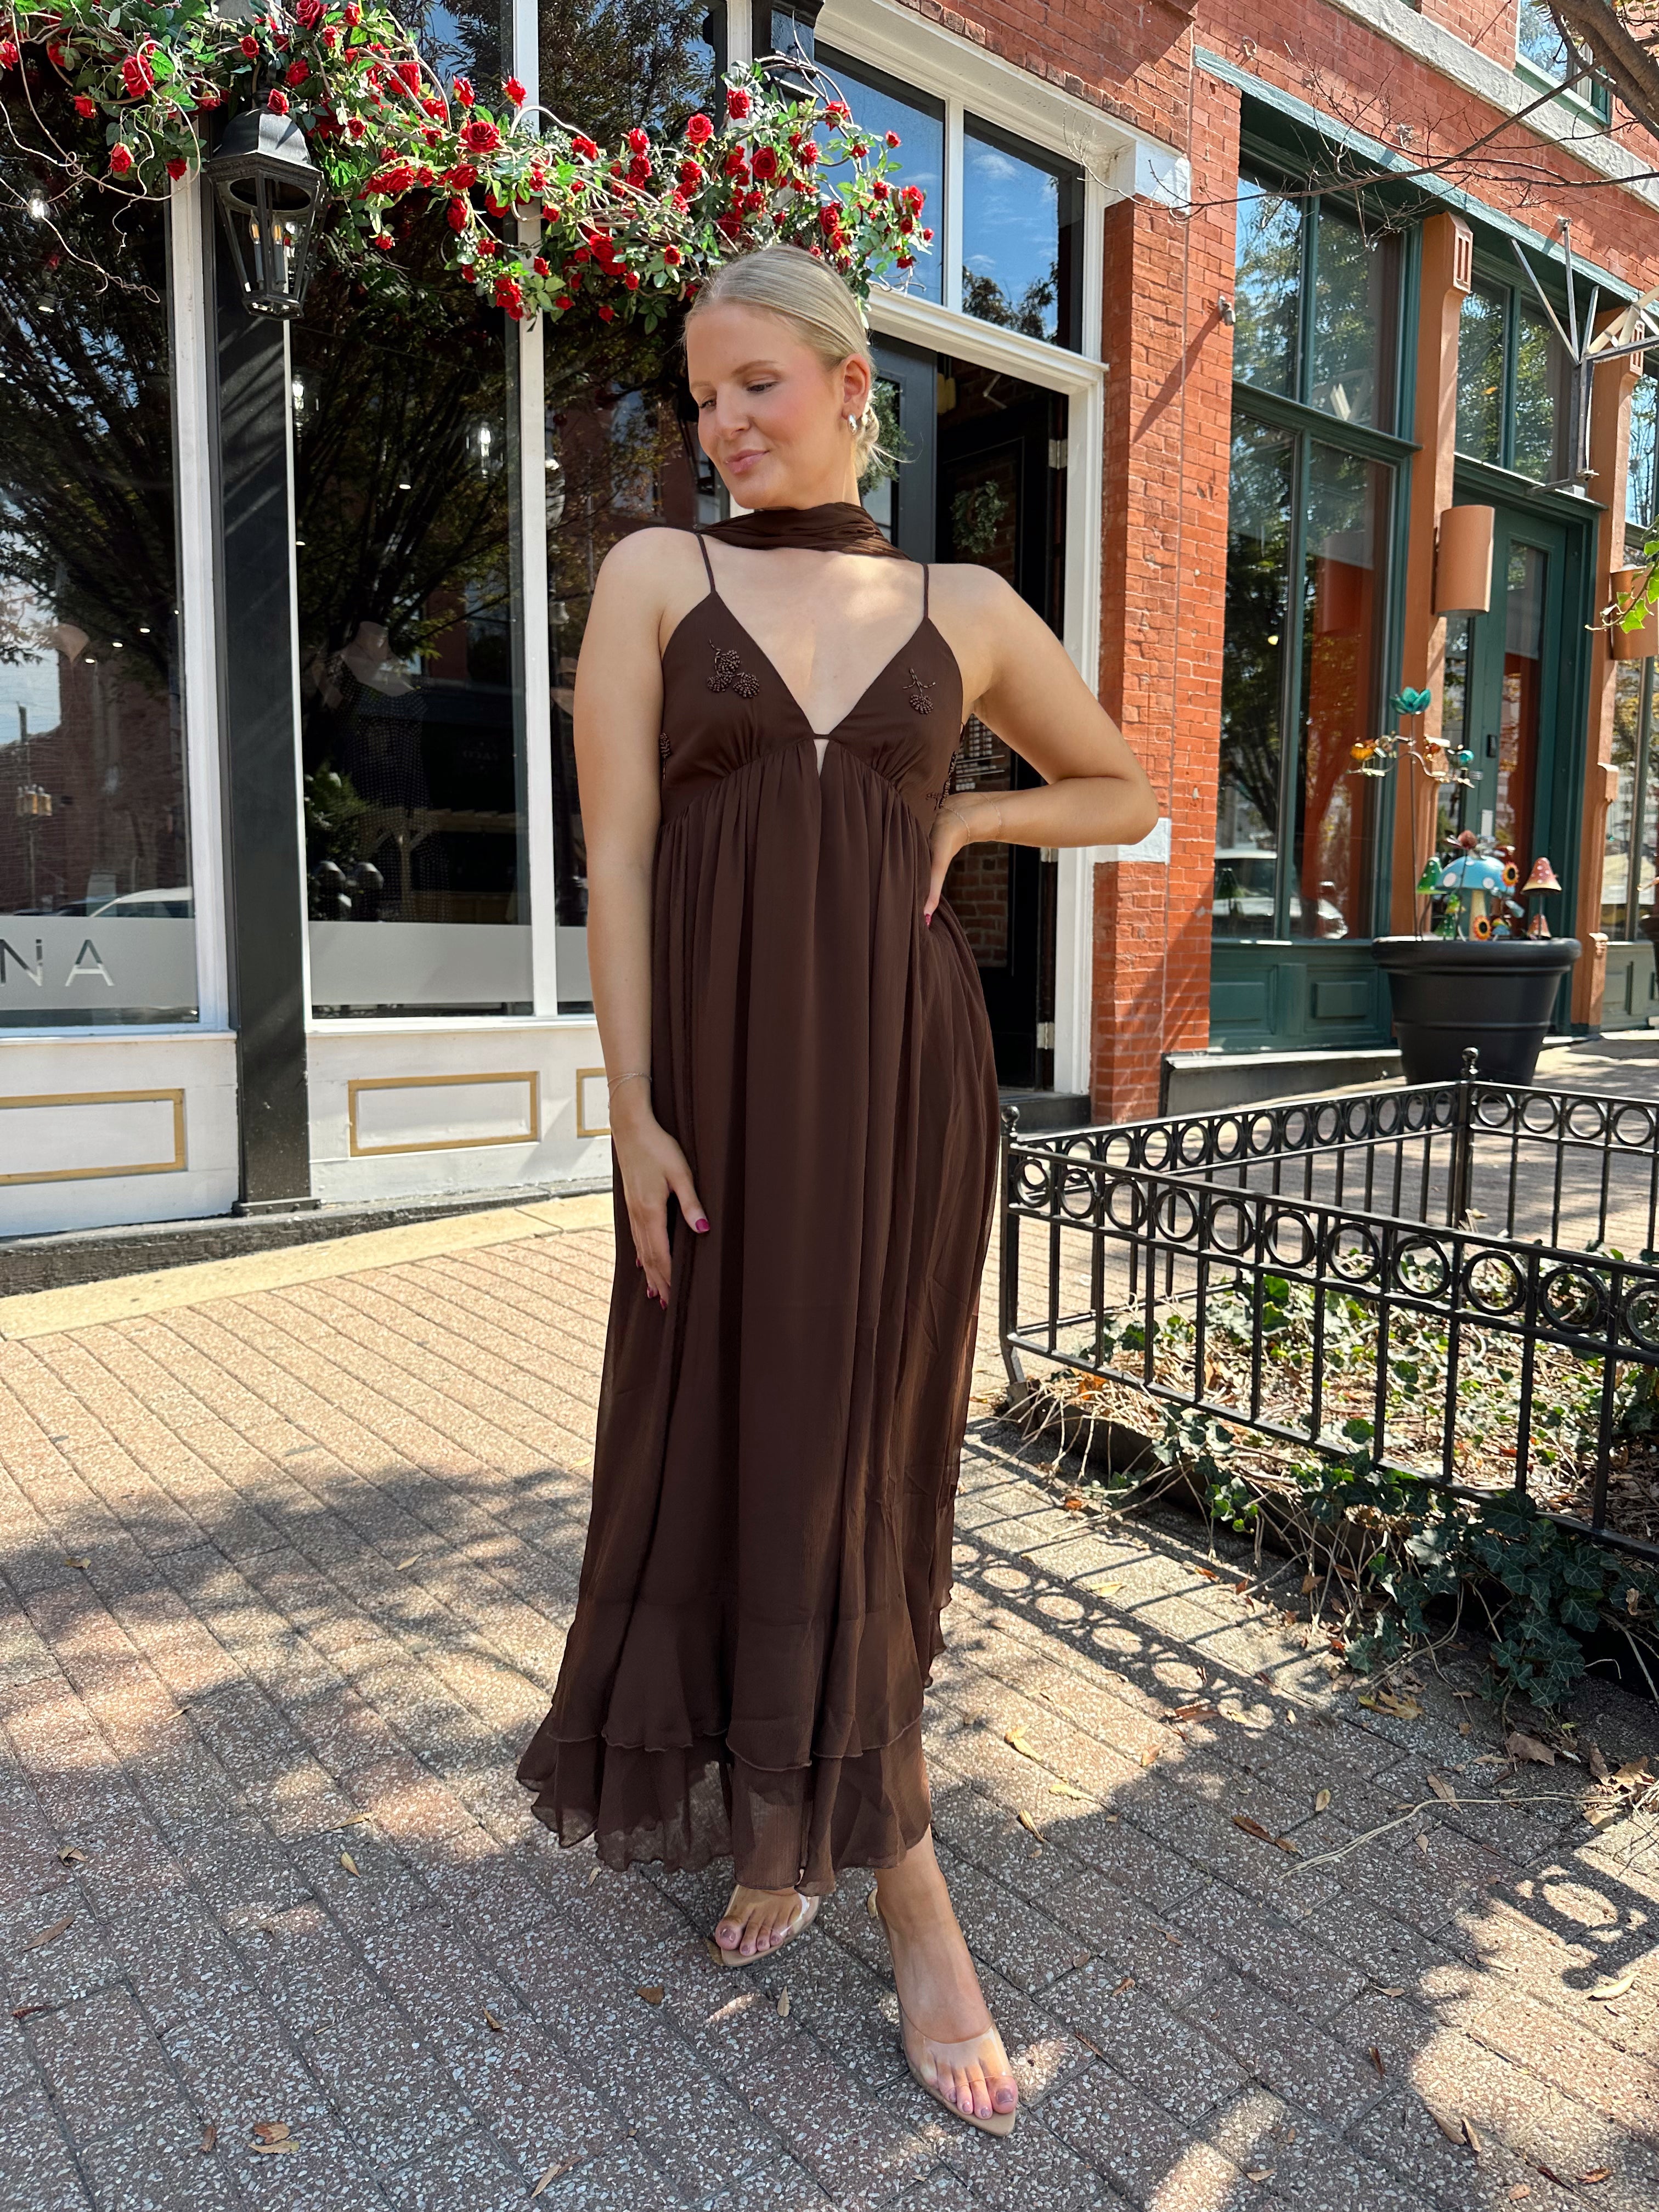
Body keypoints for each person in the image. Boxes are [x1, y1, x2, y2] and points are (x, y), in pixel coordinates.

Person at [518, 244, 1157, 2136]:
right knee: (726, 1440)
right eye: (699, 394)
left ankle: (908, 1882)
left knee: (867, 1457)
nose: (719, 424)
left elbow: (1119, 789)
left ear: (852, 384)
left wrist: (964, 811)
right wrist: (632, 1109)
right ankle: (786, 1825)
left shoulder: (965, 601)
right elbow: (616, 860)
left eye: (756, 386)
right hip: (711, 1094)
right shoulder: (655, 577)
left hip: (899, 1089)